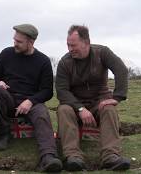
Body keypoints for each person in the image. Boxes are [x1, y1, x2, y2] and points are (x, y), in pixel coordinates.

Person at [0, 24, 62, 172]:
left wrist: (31, 101)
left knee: (42, 114)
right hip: (8, 97)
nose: (15, 43)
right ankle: (3, 134)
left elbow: (47, 91)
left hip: (31, 101)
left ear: (31, 42)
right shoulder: (6, 54)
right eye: (14, 40)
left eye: (19, 41)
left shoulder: (43, 61)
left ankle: (48, 156)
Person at [55, 25, 130, 171]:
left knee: (109, 109)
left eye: (73, 45)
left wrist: (117, 97)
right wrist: (80, 108)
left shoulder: (102, 52)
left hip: (99, 101)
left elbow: (121, 70)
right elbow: (62, 91)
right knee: (63, 109)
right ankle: (72, 156)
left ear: (86, 42)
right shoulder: (64, 62)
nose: (70, 49)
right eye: (68, 45)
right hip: (75, 104)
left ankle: (110, 156)